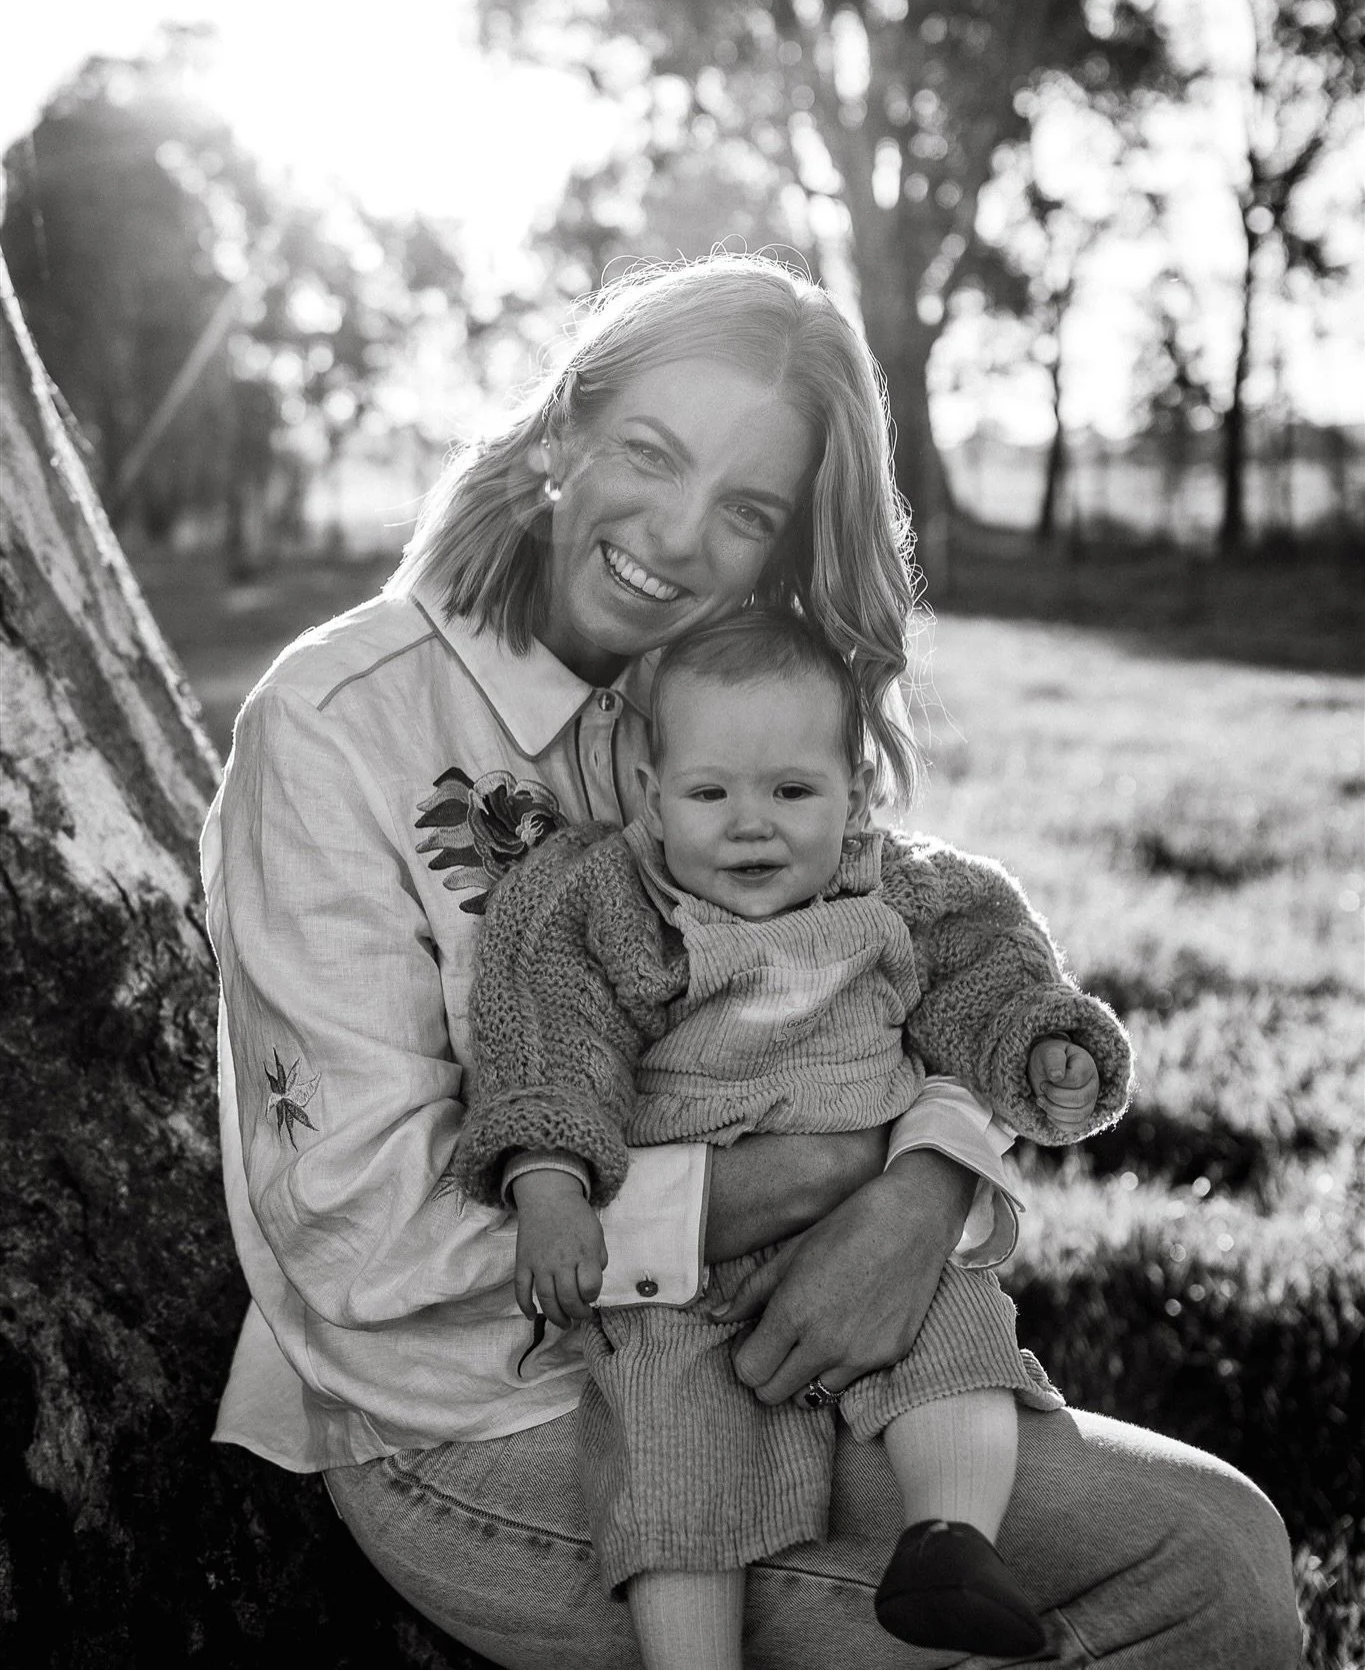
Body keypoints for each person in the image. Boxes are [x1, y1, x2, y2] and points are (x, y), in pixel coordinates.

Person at [202, 254, 1301, 1669]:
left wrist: (920, 1189)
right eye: (649, 455)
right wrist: (780, 1190)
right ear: (559, 431)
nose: (675, 533)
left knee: (1217, 1548)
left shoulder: (744, 686)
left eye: (746, 511)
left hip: (779, 1349)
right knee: (1150, 1604)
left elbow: (907, 958)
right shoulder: (335, 723)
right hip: (471, 1410)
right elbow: (360, 1228)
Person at [452, 608, 1134, 1665]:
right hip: (695, 1266)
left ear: (856, 792)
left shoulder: (895, 886)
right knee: (676, 1450)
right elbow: (549, 1030)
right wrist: (547, 1176)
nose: (751, 826)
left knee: (956, 1344)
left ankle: (949, 1539)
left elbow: (991, 967)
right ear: (651, 793)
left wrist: (1041, 1039)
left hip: (870, 1224)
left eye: (793, 791)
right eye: (711, 792)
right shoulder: (611, 899)